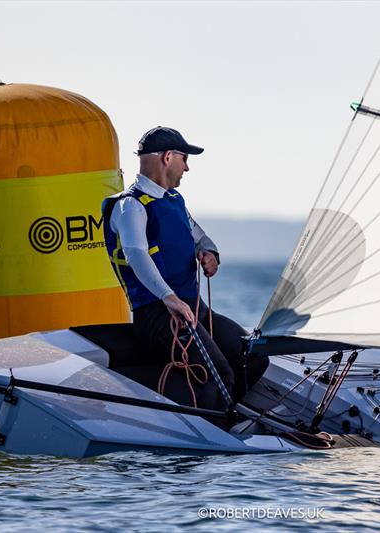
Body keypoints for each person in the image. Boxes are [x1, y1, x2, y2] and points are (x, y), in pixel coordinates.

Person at [102, 126, 268, 410]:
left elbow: (199, 236)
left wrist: (209, 252)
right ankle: (214, 434)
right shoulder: (130, 206)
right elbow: (136, 255)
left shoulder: (174, 201)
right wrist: (169, 299)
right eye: (184, 159)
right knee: (219, 376)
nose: (187, 168)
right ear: (168, 157)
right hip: (159, 314)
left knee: (252, 356)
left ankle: (230, 417)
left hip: (193, 309)